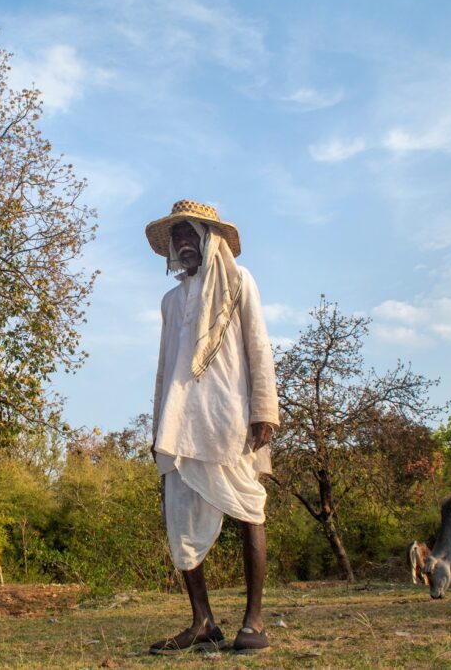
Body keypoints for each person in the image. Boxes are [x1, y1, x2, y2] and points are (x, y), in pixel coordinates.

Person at [144, 199, 279, 655]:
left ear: (209, 239)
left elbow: (259, 346)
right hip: (179, 425)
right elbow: (165, 367)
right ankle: (202, 622)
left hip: (230, 418)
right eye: (176, 236)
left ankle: (254, 622)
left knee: (248, 509)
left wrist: (264, 409)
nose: (182, 241)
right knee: (179, 520)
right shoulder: (171, 300)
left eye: (189, 233)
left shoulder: (239, 281)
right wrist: (158, 424)